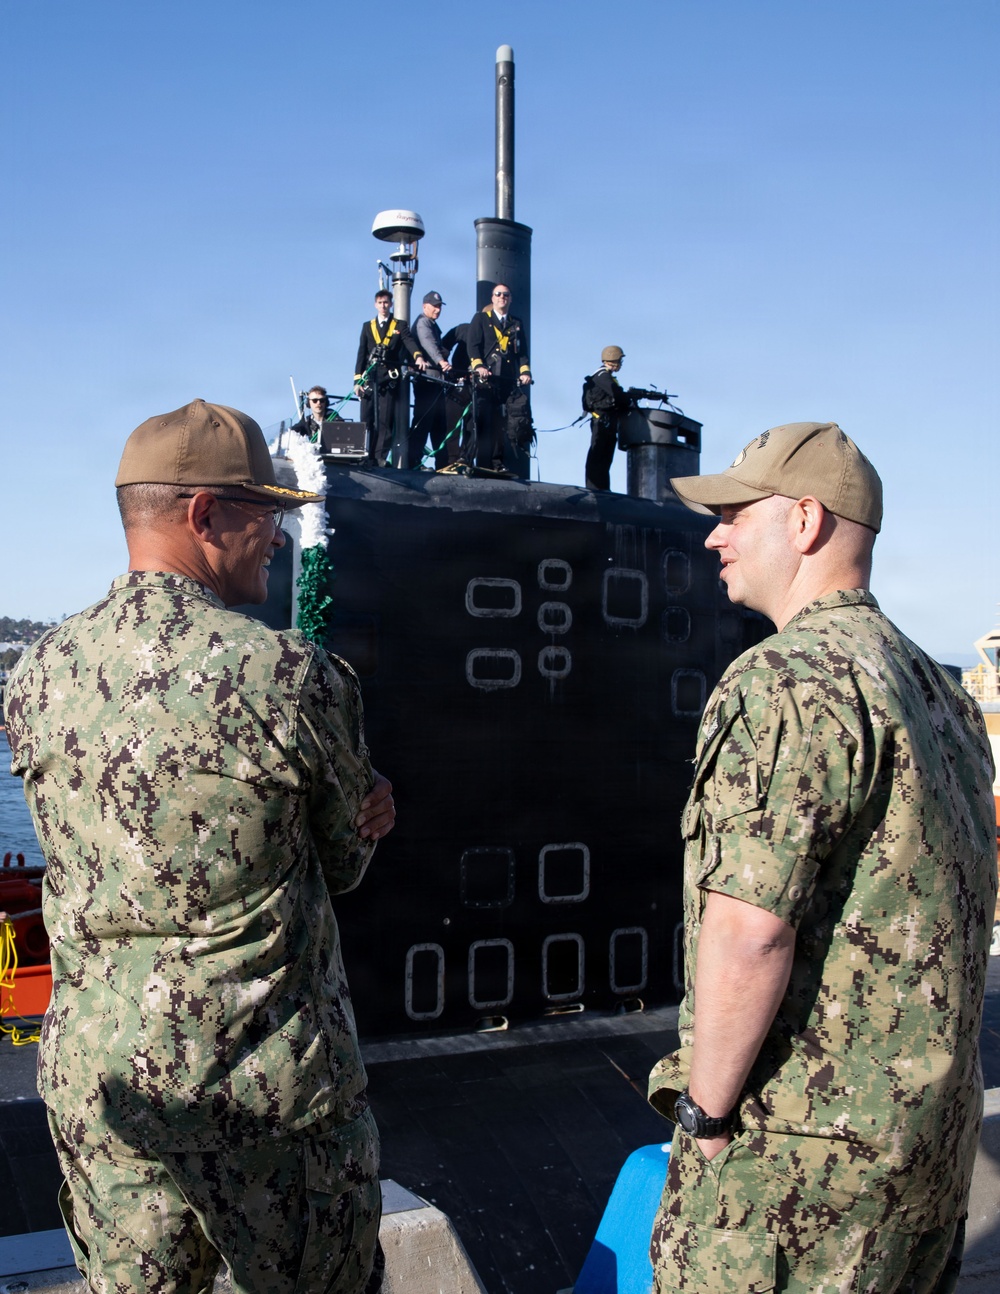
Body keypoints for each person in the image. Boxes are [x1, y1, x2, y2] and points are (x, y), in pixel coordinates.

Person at [5, 399, 397, 1294]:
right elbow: (346, 862)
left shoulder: (37, 673)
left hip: (105, 1095)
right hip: (265, 1099)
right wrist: (367, 810)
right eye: (265, 513)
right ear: (205, 513)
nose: (278, 536)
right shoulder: (291, 675)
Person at [647, 422, 996, 1293]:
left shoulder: (784, 680)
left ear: (805, 521)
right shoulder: (941, 690)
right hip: (923, 1157)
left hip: (797, 1174)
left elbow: (751, 932)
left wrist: (705, 1115)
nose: (714, 536)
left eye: (734, 513)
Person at [354, 290, 426, 467]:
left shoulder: (399, 325)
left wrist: (418, 356)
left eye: (386, 302)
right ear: (375, 305)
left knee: (385, 421)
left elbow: (409, 342)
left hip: (388, 379)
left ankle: (379, 457)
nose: (383, 306)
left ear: (391, 304)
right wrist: (357, 381)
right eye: (380, 303)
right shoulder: (367, 327)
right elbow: (361, 354)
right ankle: (363, 455)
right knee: (366, 419)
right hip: (370, 379)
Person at [466, 283, 532, 472]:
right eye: (498, 294)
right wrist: (478, 365)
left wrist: (525, 372)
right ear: (492, 298)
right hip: (486, 379)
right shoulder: (481, 319)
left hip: (505, 380)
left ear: (510, 299)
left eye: (506, 295)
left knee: (500, 423)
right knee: (479, 419)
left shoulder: (516, 323)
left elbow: (522, 353)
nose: (502, 297)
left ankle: (496, 462)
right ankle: (471, 459)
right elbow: (473, 345)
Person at [409, 291, 461, 470]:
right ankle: (413, 460)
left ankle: (443, 463)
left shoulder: (432, 324)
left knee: (439, 425)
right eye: (434, 306)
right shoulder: (423, 323)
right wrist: (441, 361)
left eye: (439, 307)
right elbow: (428, 344)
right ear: (425, 306)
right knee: (423, 422)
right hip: (427, 381)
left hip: (436, 382)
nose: (438, 310)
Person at [582, 345, 631, 490]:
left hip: (608, 422)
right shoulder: (602, 376)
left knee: (605, 457)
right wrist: (628, 399)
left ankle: (602, 488)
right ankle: (595, 488)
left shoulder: (605, 376)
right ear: (614, 360)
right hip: (602, 422)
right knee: (598, 456)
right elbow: (618, 396)